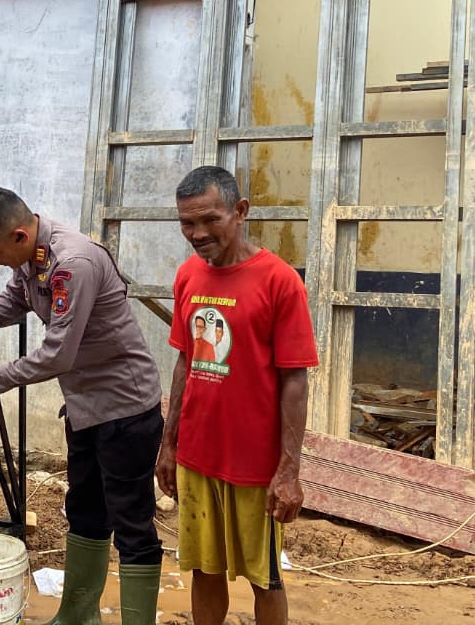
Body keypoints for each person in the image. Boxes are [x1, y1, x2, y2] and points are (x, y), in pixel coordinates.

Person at [0, 186, 164, 625]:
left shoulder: (71, 264)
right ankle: (78, 615)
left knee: (132, 524)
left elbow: (59, 354)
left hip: (125, 408)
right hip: (85, 408)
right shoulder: (33, 256)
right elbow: (13, 301)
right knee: (86, 511)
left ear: (19, 236)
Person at [156, 166, 318, 625]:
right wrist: (169, 446)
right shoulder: (188, 276)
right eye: (188, 223)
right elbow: (186, 362)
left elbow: (295, 381)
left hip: (254, 467)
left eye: (210, 220)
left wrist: (289, 471)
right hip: (198, 457)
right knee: (204, 571)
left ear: (241, 211)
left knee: (264, 577)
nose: (198, 233)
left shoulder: (280, 281)